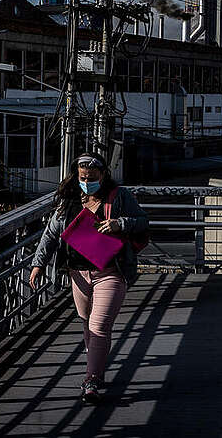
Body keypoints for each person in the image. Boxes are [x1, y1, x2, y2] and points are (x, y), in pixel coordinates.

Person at [29, 152, 148, 403]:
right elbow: (51, 234)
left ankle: (91, 379)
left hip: (111, 272)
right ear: (77, 176)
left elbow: (142, 222)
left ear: (103, 175)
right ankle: (98, 367)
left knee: (98, 326)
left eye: (92, 177)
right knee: (87, 323)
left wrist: (120, 223)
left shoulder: (119, 197)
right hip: (78, 272)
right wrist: (38, 264)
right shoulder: (68, 200)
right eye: (83, 177)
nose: (87, 181)